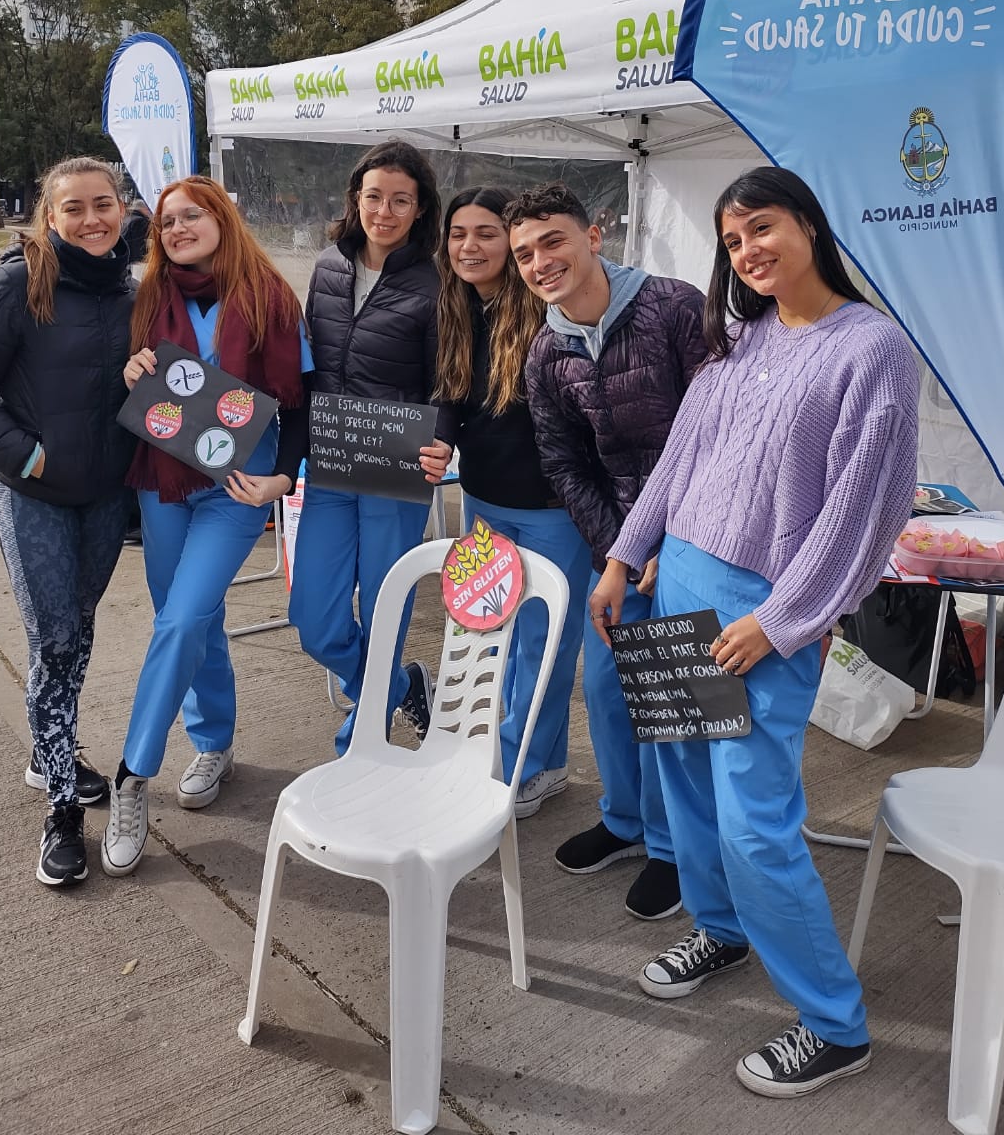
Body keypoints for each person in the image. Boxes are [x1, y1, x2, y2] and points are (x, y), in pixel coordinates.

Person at [591, 166, 918, 1098]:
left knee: (753, 817)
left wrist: (778, 624)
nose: (749, 251)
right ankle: (722, 930)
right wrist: (624, 556)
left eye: (763, 227)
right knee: (685, 780)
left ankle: (832, 1023)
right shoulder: (740, 337)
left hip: (765, 610)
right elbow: (679, 461)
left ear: (809, 225)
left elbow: (863, 511)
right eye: (733, 240)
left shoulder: (872, 350)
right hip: (679, 584)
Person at [505, 182, 708, 920]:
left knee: (672, 705)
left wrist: (675, 540)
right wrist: (618, 551)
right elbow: (565, 465)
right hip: (623, 548)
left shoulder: (675, 308)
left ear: (594, 235)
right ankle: (625, 822)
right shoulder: (545, 352)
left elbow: (722, 434)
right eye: (525, 253)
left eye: (552, 241)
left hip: (699, 538)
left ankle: (674, 848)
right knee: (605, 693)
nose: (539, 261)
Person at [101, 175, 311, 877]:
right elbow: (138, 381)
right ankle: (214, 738)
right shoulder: (151, 297)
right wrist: (132, 369)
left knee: (182, 620)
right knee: (188, 621)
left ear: (221, 218)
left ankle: (134, 773)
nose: (179, 229)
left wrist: (283, 477)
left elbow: (298, 405)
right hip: (163, 485)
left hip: (233, 492)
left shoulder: (270, 297)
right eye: (166, 222)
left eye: (192, 216)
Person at [0, 156, 136, 887]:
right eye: (74, 208)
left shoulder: (132, 291)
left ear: (122, 209)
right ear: (50, 217)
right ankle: (60, 806)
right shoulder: (18, 282)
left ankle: (48, 746)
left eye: (103, 205)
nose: (91, 220)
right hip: (35, 496)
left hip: (106, 497)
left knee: (76, 629)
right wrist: (27, 460)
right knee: (52, 639)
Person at [421, 187, 593, 817]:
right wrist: (440, 440)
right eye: (459, 233)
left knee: (543, 642)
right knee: (490, 636)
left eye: (487, 233)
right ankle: (509, 752)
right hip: (484, 503)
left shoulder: (551, 311)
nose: (471, 246)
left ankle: (532, 764)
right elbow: (452, 395)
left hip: (553, 511)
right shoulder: (457, 307)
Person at [289, 138, 454, 754]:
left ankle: (360, 744)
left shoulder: (437, 282)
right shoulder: (329, 266)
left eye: (400, 200)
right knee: (315, 620)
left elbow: (449, 378)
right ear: (355, 198)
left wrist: (443, 440)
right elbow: (307, 362)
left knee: (386, 608)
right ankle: (401, 685)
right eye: (374, 196)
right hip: (331, 459)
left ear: (419, 209)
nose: (384, 210)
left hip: (395, 463)